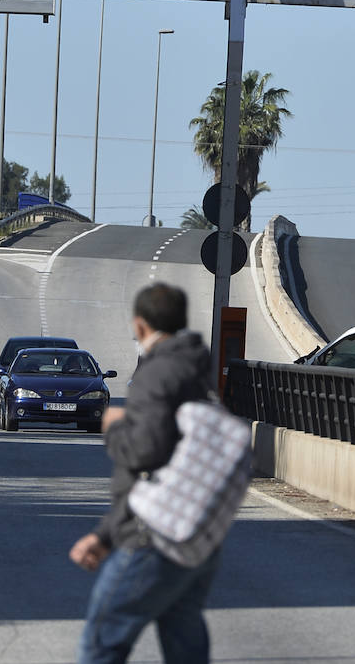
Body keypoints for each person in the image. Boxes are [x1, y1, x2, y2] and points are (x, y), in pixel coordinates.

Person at [69, 283, 219, 664]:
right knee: (185, 645)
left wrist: (115, 428)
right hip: (196, 536)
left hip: (152, 539)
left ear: (140, 326)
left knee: (100, 644)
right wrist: (104, 535)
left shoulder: (157, 375)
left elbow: (147, 457)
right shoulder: (196, 372)